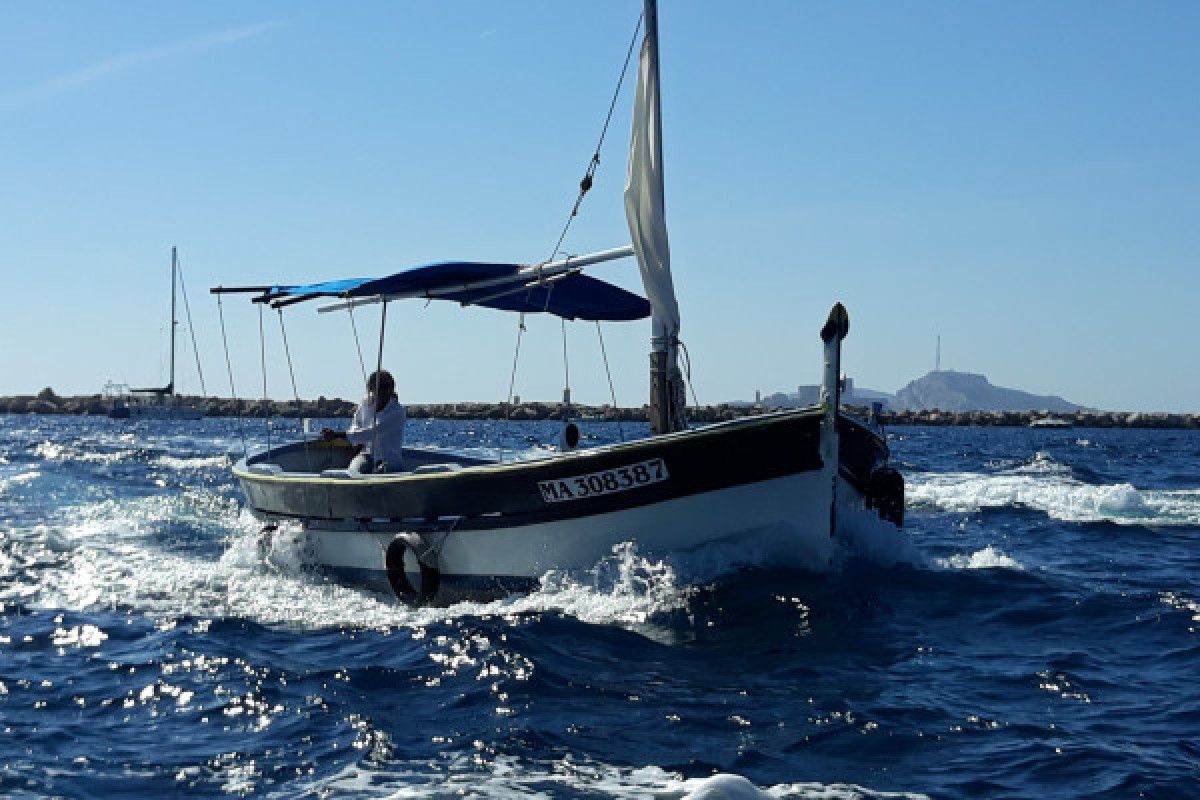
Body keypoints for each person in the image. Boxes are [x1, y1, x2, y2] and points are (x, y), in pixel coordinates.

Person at [322, 370, 406, 473]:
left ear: (392, 388)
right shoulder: (365, 404)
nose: (384, 391)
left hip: (389, 461)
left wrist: (337, 435)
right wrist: (357, 441)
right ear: (371, 388)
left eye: (387, 387)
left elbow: (373, 432)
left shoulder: (397, 412)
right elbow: (356, 424)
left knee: (382, 470)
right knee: (353, 471)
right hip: (367, 456)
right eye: (379, 387)